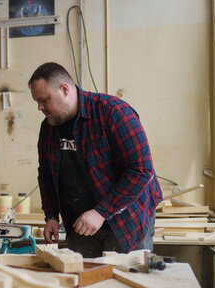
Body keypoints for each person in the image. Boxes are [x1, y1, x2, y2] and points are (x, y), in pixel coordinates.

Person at [29, 62, 162, 258]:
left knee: (125, 282)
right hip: (81, 223)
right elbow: (46, 175)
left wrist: (101, 212)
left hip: (125, 221)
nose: (40, 107)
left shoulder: (113, 112)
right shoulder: (49, 128)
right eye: (37, 102)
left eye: (44, 100)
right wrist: (51, 215)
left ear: (64, 89)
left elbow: (141, 170)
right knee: (84, 280)